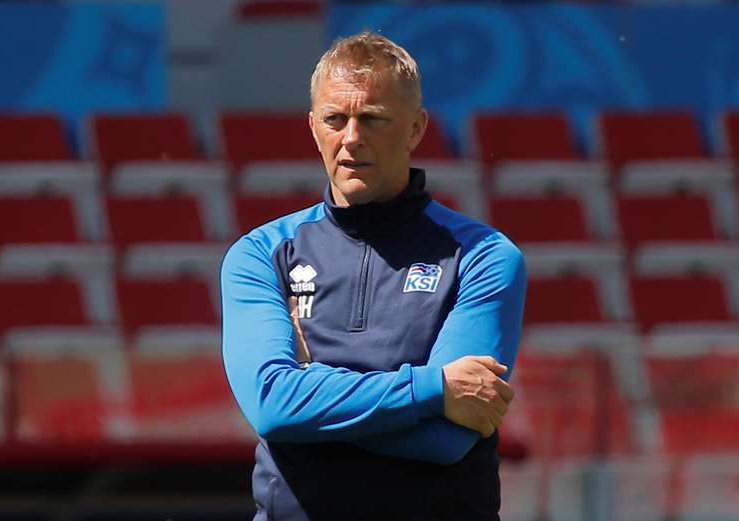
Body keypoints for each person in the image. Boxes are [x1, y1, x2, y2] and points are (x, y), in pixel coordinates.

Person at [221, 31, 526, 521]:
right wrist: (431, 390)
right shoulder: (261, 254)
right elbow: (273, 407)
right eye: (334, 120)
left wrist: (311, 395)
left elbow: (445, 438)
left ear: (415, 129)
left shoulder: (483, 255)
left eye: (374, 119)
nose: (352, 138)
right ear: (313, 126)